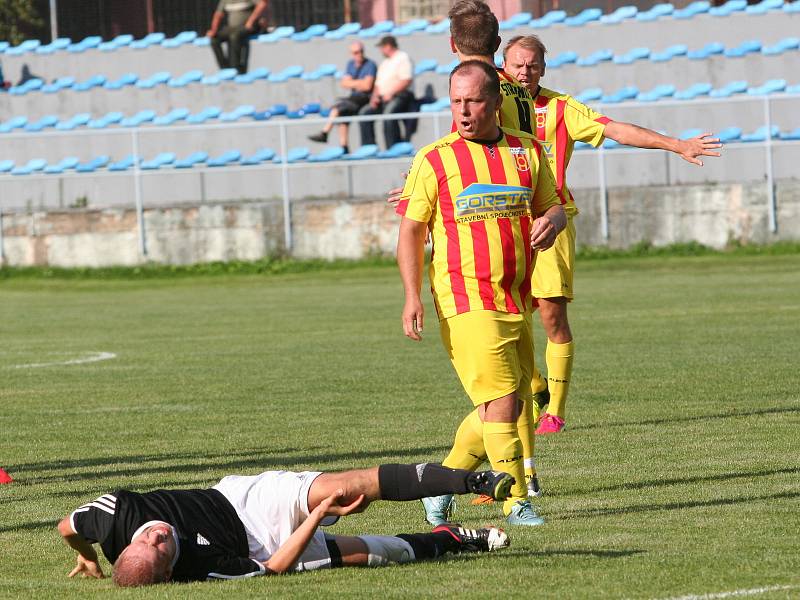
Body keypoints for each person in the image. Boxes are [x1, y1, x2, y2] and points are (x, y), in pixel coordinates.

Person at [502, 35, 723, 435]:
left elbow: (618, 130)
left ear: (543, 68)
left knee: (551, 314)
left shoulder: (560, 108)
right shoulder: (491, 101)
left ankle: (554, 412)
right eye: (518, 64)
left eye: (532, 64)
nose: (525, 71)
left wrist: (677, 145)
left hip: (550, 220)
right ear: (504, 64)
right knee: (508, 318)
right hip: (501, 223)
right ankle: (536, 387)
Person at [396, 60, 566, 527]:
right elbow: (410, 232)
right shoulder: (435, 158)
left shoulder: (527, 150)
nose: (464, 111)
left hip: (516, 295)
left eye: (473, 101)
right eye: (456, 102)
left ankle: (442, 483)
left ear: (494, 102)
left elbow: (554, 206)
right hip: (463, 297)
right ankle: (514, 500)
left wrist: (551, 222)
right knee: (506, 400)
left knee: (507, 401)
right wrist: (412, 296)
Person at [58, 462, 513, 585]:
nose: (158, 535)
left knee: (349, 485)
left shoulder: (114, 515)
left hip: (245, 500)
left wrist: (85, 557)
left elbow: (67, 526)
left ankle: (471, 479)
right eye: (159, 548)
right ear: (170, 572)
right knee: (377, 553)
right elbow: (273, 568)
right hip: (264, 547)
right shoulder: (202, 567)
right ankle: (453, 538)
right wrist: (317, 518)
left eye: (147, 539)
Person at [308, 41, 377, 154]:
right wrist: (360, 82)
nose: (359, 54)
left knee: (338, 107)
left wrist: (353, 82)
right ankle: (344, 146)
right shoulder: (351, 64)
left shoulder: (370, 65)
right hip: (354, 97)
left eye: (360, 52)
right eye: (355, 53)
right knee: (342, 113)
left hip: (364, 98)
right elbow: (344, 83)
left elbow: (367, 86)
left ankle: (325, 132)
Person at [358, 36, 415, 149]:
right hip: (384, 97)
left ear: (388, 46)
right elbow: (378, 84)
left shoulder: (402, 57)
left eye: (381, 47)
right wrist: (374, 97)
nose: (380, 50)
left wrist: (391, 93)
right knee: (365, 113)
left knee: (389, 114)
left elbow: (406, 80)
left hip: (401, 95)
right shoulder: (384, 63)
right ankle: (369, 148)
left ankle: (392, 147)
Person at [206, 0, 269, 74]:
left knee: (235, 36)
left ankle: (236, 68)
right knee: (214, 39)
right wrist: (214, 30)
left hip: (250, 27)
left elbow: (263, 3)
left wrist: (251, 21)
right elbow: (218, 14)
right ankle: (225, 69)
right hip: (232, 28)